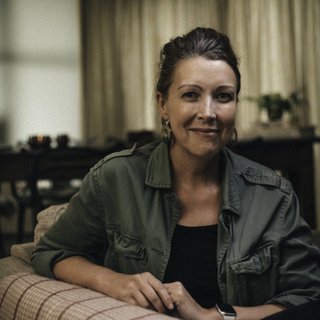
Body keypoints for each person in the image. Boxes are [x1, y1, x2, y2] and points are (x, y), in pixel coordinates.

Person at [31, 27, 320, 320]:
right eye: (191, 95)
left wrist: (216, 317)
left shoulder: (274, 196)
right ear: (162, 104)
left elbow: (308, 298)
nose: (208, 112)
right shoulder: (115, 178)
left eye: (223, 96)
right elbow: (52, 252)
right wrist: (113, 281)